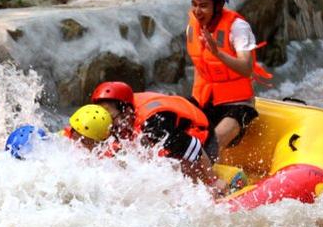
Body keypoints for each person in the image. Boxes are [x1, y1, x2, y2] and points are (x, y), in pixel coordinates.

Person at [185, 0, 272, 161]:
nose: (197, 11)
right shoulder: (193, 27)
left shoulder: (238, 27)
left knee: (209, 146)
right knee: (173, 130)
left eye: (203, 6)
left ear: (219, 5)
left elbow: (247, 68)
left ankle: (217, 183)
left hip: (237, 105)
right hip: (205, 100)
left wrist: (218, 54)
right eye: (194, 4)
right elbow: (200, 68)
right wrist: (194, 104)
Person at [90, 81, 228, 196]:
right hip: (173, 134)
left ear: (126, 111)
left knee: (182, 178)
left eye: (113, 119)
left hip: (203, 138)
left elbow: (194, 147)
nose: (111, 126)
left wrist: (213, 180)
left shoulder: (154, 124)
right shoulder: (118, 115)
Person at [5, 105, 113, 159]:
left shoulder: (107, 158)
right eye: (75, 135)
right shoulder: (59, 145)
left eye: (85, 141)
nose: (77, 143)